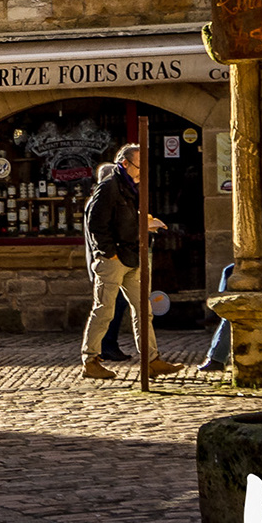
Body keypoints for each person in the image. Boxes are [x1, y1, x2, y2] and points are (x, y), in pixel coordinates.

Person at [78, 150, 164, 380]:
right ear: (125, 164)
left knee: (143, 310)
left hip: (130, 257)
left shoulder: (129, 188)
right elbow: (96, 224)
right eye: (138, 166)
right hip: (114, 259)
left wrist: (144, 225)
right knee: (104, 310)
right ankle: (90, 360)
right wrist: (110, 253)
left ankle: (151, 360)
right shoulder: (109, 188)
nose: (141, 172)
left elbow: (122, 220)